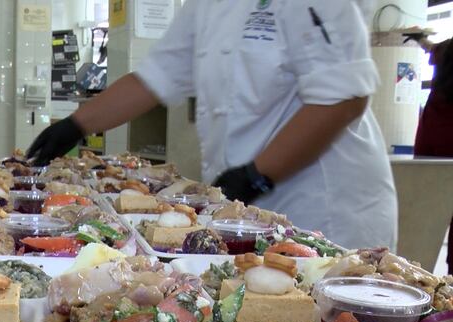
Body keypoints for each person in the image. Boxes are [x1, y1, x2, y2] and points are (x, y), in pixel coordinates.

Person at [27, 0, 398, 251]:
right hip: (247, 208)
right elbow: (155, 78)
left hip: (321, 203)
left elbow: (343, 99)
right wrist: (76, 124)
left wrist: (258, 175)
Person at [405, 29, 453, 274]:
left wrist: (419, 40)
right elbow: (434, 48)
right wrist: (420, 40)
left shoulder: (438, 105)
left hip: (435, 174)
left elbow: (434, 49)